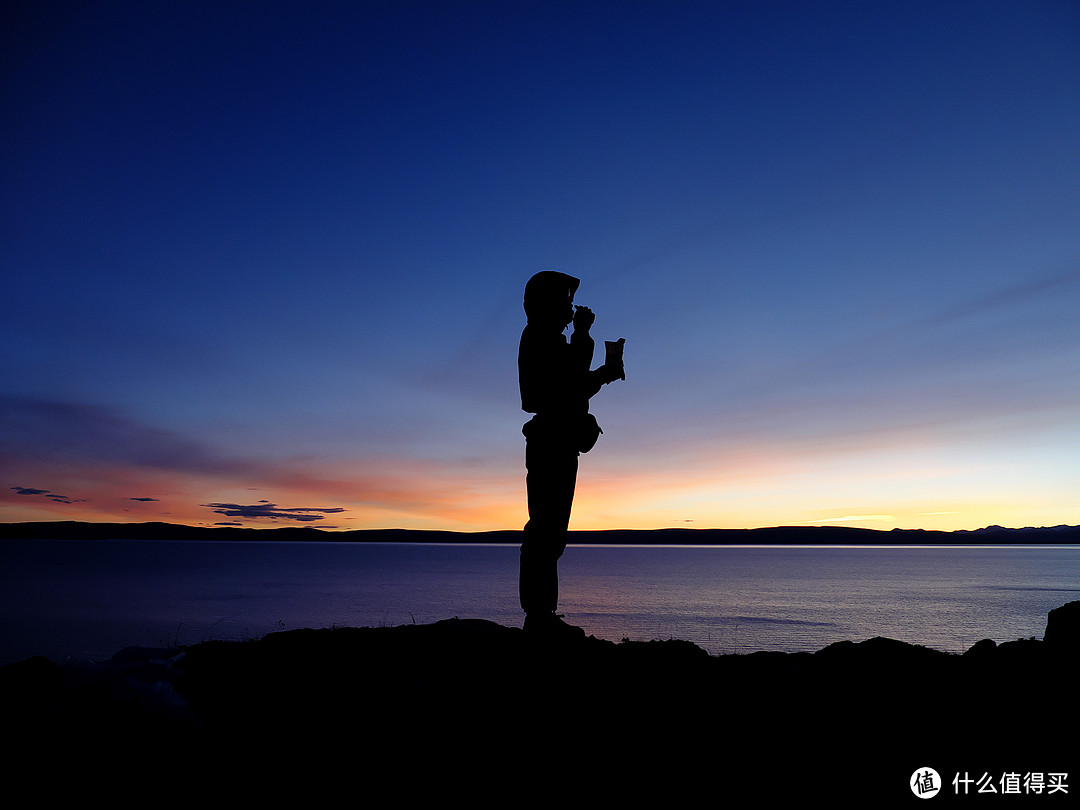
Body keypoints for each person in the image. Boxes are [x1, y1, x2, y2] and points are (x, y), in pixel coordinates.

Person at [517, 271, 624, 635]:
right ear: (546, 304)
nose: (571, 305)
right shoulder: (540, 338)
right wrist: (582, 334)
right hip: (551, 442)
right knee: (546, 529)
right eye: (564, 299)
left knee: (552, 530)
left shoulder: (546, 339)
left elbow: (571, 387)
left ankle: (542, 613)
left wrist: (605, 374)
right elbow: (560, 388)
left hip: (558, 441)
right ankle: (539, 615)